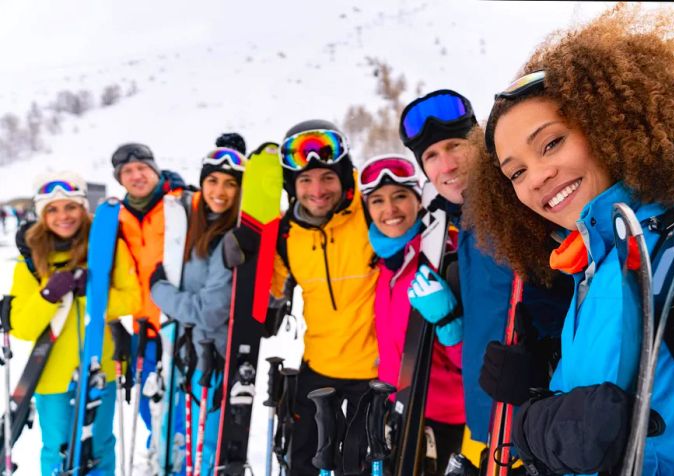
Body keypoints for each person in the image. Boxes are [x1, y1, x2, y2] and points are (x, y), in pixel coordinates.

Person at [469, 4, 674, 474]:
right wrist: (544, 394)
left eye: (551, 143)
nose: (537, 177)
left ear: (610, 125)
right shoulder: (590, 267)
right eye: (515, 172)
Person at [399, 89, 571, 468]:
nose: (446, 165)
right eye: (431, 156)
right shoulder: (465, 226)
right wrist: (452, 320)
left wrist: (544, 367)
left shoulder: (521, 210)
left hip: (536, 428)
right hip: (485, 423)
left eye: (456, 146)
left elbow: (575, 301)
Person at [263, 119, 379, 475]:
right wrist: (251, 254)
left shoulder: (371, 212)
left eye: (327, 176)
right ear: (292, 186)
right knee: (304, 466)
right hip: (318, 370)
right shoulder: (287, 234)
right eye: (305, 180)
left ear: (344, 177)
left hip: (377, 376)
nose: (317, 189)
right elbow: (269, 302)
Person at [9, 171, 140, 475]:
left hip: (99, 368)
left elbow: (133, 299)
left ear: (83, 208)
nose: (63, 216)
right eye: (52, 209)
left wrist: (92, 294)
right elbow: (22, 327)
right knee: (58, 449)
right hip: (51, 373)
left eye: (70, 206)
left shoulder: (107, 247)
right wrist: (48, 294)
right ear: (42, 215)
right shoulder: (30, 260)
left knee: (100, 446)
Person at [359, 154, 465, 474]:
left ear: (419, 201)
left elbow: (473, 354)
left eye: (400, 196)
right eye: (377, 201)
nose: (389, 210)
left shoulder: (446, 253)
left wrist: (450, 323)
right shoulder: (385, 264)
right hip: (399, 408)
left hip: (444, 421)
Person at [151, 147, 246, 475]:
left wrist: (159, 291)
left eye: (230, 184)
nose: (219, 192)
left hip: (213, 356)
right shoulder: (196, 228)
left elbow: (209, 312)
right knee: (183, 440)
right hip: (188, 350)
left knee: (206, 445)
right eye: (213, 181)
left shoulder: (229, 238)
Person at [111, 143, 188, 446]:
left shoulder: (181, 204)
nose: (136, 175)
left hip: (178, 325)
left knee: (180, 408)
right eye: (127, 171)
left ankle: (179, 459)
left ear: (154, 170)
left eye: (142, 168)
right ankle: (157, 453)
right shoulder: (117, 217)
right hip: (141, 328)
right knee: (146, 405)